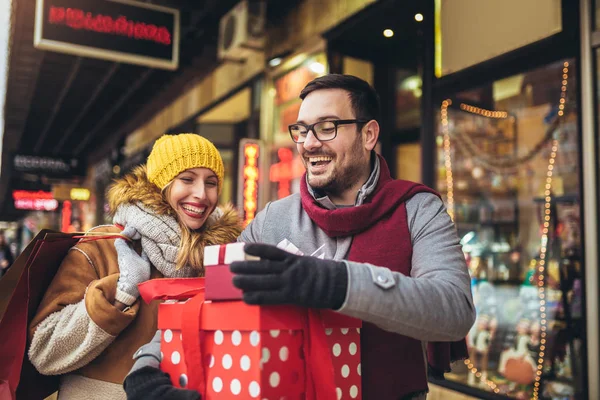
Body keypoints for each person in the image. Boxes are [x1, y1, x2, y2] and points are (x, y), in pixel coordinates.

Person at [124, 75, 475, 400]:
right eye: (302, 130)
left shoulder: (417, 208)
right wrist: (148, 366)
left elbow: (454, 309)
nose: (309, 143)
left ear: (368, 135)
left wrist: (334, 284)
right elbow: (210, 299)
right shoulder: (273, 219)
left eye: (326, 127)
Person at [28, 134, 242, 399]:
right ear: (160, 184)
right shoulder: (104, 245)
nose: (201, 194)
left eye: (211, 183)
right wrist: (121, 293)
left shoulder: (221, 256)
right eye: (187, 179)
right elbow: (43, 351)